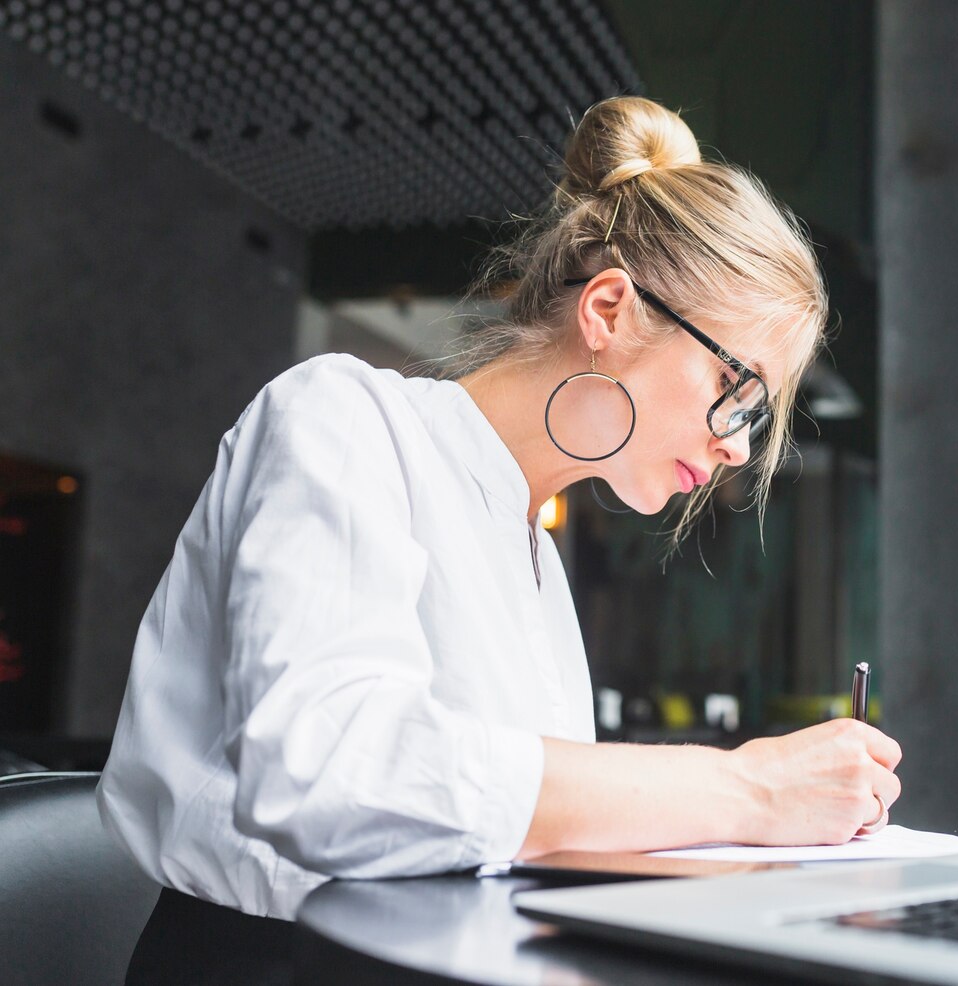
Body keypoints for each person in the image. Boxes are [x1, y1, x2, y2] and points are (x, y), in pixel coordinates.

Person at [98, 95, 902, 981]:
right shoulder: (341, 416)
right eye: (734, 386)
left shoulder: (536, 561)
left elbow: (517, 824)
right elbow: (327, 768)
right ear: (607, 310)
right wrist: (749, 790)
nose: (737, 444)